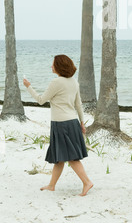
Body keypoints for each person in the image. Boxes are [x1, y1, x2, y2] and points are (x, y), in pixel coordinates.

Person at [23, 54, 93, 197]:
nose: (51, 66)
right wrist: (82, 122)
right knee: (59, 157)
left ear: (59, 66)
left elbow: (41, 100)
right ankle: (51, 185)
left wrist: (28, 87)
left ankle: (87, 182)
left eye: (53, 64)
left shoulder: (56, 82)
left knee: (72, 158)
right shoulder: (73, 82)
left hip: (62, 124)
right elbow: (78, 105)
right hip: (72, 122)